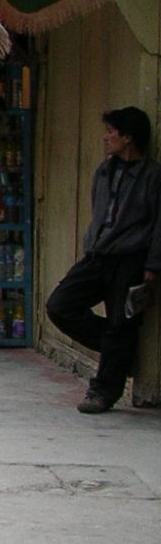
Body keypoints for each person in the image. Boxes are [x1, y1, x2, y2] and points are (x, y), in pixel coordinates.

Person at [47, 107, 161, 415]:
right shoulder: (104, 171)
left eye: (111, 132)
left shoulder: (152, 176)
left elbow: (158, 225)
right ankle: (119, 351)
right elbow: (99, 214)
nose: (105, 137)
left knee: (121, 325)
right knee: (60, 305)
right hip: (98, 256)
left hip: (131, 261)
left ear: (127, 138)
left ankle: (104, 391)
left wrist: (153, 265)